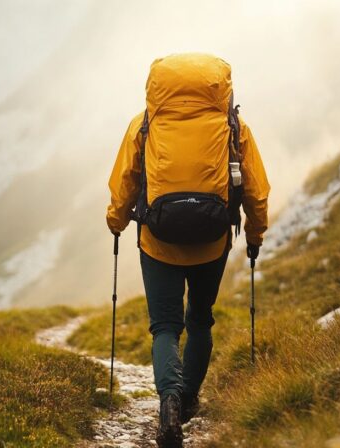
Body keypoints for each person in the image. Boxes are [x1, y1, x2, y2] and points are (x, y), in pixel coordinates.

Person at [106, 53, 270, 447]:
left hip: (158, 242)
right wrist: (254, 235)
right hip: (212, 242)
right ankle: (191, 398)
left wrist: (116, 220)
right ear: (221, 87)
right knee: (199, 320)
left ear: (157, 87)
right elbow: (256, 190)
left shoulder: (144, 124)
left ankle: (169, 402)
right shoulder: (234, 126)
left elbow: (124, 181)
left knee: (165, 326)